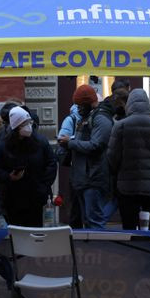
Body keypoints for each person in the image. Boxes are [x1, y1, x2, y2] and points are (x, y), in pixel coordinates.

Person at [105, 88, 150, 230]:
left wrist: (118, 172)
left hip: (126, 186)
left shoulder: (120, 126)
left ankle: (131, 252)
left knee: (129, 226)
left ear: (129, 104)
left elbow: (112, 157)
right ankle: (149, 251)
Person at [58, 84, 115, 229]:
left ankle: (99, 250)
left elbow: (95, 145)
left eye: (80, 105)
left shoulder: (101, 119)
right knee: (88, 220)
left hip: (93, 179)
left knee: (95, 220)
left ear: (89, 102)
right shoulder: (88, 117)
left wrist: (70, 143)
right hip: (84, 178)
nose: (78, 108)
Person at [0, 107, 57, 227]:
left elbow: (51, 163)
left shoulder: (40, 141)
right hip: (13, 200)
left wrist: (43, 185)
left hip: (38, 198)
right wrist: (9, 177)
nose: (29, 126)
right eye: (25, 124)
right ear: (16, 127)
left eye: (29, 123)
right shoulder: (2, 145)